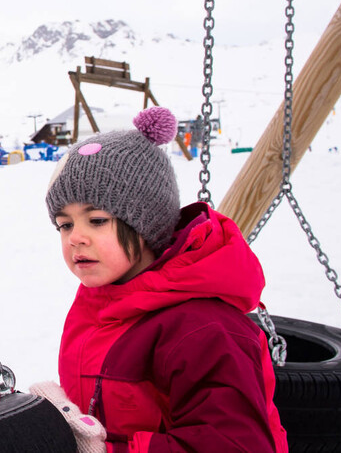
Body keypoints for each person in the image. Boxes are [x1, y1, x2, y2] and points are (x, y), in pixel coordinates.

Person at [30, 106, 287, 452]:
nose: (75, 237)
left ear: (146, 224)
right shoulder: (101, 305)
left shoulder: (203, 330)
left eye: (97, 220)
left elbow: (235, 445)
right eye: (65, 224)